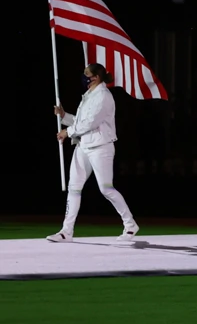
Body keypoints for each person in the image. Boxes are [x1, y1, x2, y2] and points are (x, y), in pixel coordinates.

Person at [47, 63, 139, 244]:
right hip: (83, 146)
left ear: (96, 77)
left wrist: (68, 132)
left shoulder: (104, 96)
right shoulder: (88, 95)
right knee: (74, 187)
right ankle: (67, 231)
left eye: (86, 74)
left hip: (101, 147)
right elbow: (81, 121)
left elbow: (91, 123)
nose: (84, 77)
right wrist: (65, 116)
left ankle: (130, 224)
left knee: (106, 188)